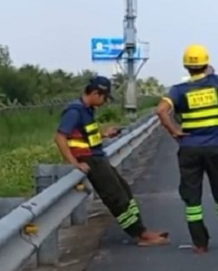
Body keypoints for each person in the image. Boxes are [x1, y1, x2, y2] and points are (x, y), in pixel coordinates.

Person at [54, 76, 170, 246]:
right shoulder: (74, 111)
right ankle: (140, 235)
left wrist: (104, 134)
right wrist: (74, 163)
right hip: (90, 160)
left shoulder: (87, 110)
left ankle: (142, 229)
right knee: (116, 197)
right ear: (95, 93)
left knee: (124, 191)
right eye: (104, 97)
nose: (105, 102)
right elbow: (60, 137)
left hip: (97, 157)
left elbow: (84, 134)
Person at [156, 44, 218, 255]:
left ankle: (200, 245)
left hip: (189, 149)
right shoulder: (215, 83)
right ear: (205, 64)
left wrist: (175, 131)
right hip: (214, 148)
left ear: (186, 66)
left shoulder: (178, 91)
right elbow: (211, 70)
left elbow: (161, 111)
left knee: (192, 199)